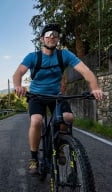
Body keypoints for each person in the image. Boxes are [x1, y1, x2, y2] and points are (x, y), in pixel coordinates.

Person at [13, 23, 104, 175]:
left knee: (67, 118)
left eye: (55, 35)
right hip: (36, 96)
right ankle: (34, 158)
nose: (52, 37)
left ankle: (60, 146)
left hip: (56, 96)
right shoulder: (33, 57)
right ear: (42, 39)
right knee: (36, 120)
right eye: (48, 35)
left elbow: (86, 71)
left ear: (58, 39)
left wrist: (94, 88)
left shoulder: (65, 55)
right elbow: (18, 74)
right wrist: (18, 86)